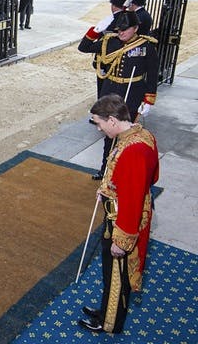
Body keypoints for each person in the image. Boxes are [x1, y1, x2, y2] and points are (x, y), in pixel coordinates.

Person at [79, 93, 159, 334]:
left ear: (112, 120)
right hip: (117, 211)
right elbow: (150, 177)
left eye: (100, 124)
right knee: (110, 273)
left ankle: (109, 322)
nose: (100, 130)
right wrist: (107, 190)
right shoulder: (139, 135)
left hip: (122, 222)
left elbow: (133, 199)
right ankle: (106, 309)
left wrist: (121, 241)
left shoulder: (132, 149)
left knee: (116, 276)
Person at [78, 11, 158, 180]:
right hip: (111, 92)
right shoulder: (110, 41)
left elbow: (152, 73)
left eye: (125, 30)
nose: (120, 33)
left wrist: (148, 100)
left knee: (126, 135)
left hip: (132, 95)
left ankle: (122, 172)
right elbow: (83, 47)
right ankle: (106, 170)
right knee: (109, 136)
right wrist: (96, 31)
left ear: (135, 28)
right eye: (118, 29)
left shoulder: (146, 46)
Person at [87, 0, 129, 99]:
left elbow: (85, 47)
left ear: (113, 5)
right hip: (120, 61)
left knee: (103, 91)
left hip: (106, 59)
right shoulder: (129, 17)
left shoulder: (111, 20)